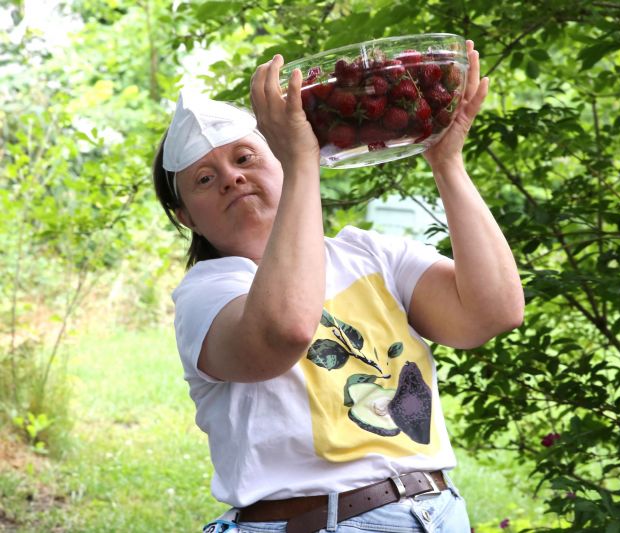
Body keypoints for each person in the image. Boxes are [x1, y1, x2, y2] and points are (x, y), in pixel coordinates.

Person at [151, 40, 524, 533]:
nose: (232, 178)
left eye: (245, 157)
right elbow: (284, 330)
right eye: (204, 178)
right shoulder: (206, 294)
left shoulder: (370, 253)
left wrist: (446, 162)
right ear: (186, 217)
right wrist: (302, 163)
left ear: (275, 159)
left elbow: (492, 312)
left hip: (439, 513)